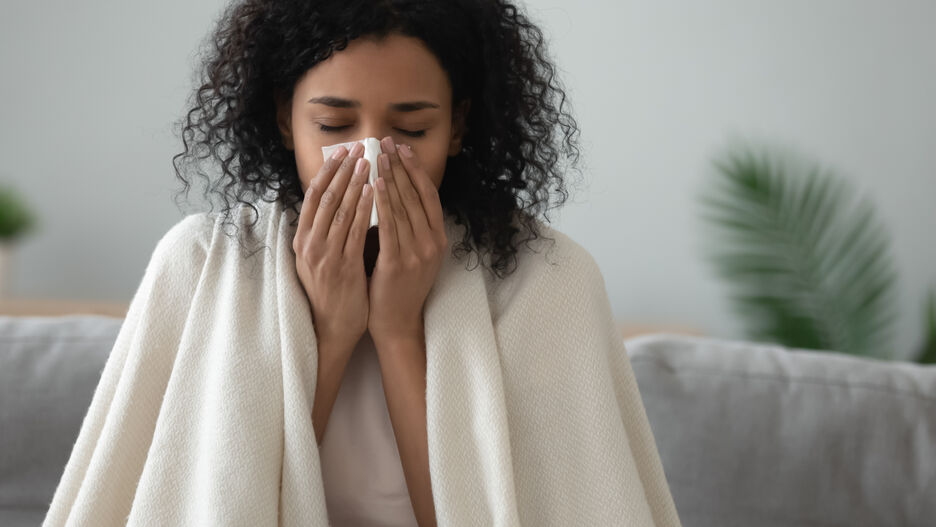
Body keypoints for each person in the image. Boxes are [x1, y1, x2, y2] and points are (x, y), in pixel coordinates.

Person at [44, 1, 683, 526]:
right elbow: (218, 509)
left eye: (410, 130)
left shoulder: (548, 280)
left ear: (458, 127)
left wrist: (399, 331)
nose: (371, 158)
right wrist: (329, 330)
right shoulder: (201, 265)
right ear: (284, 119)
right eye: (332, 125)